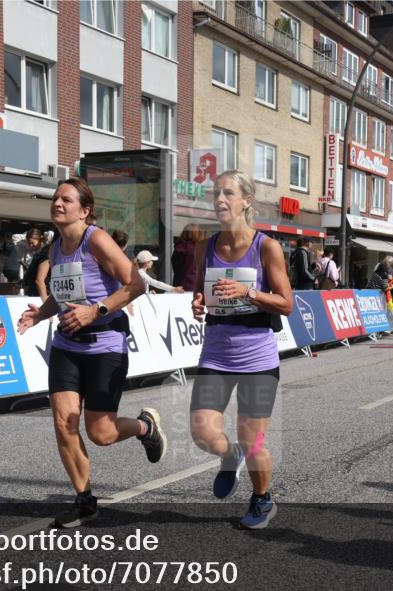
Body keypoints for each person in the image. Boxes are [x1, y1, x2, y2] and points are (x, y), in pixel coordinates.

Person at [15, 178, 167, 528]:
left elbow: (137, 285)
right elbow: (62, 294)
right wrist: (40, 314)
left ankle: (145, 427)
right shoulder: (55, 249)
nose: (58, 204)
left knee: (102, 434)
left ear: (84, 210)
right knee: (63, 422)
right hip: (67, 346)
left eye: (66, 200)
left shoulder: (96, 239)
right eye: (55, 198)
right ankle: (84, 501)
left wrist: (94, 311)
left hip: (105, 345)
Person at [190, 170, 292, 530]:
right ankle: (227, 455)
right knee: (202, 432)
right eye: (216, 193)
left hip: (258, 357)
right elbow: (200, 294)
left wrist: (249, 293)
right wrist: (199, 303)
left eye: (228, 193)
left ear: (247, 201)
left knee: (253, 439)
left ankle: (262, 499)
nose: (220, 200)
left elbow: (286, 303)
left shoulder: (266, 247)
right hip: (216, 352)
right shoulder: (206, 246)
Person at [20, 229, 50, 300]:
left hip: (41, 293)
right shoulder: (37, 254)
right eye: (28, 243)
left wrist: (45, 300)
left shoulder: (45, 253)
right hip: (34, 292)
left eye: (32, 243)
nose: (30, 246)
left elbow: (39, 280)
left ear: (40, 239)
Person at [172, 223, 202, 291]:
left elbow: (175, 267)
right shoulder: (197, 249)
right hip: (193, 285)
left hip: (178, 285)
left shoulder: (177, 248)